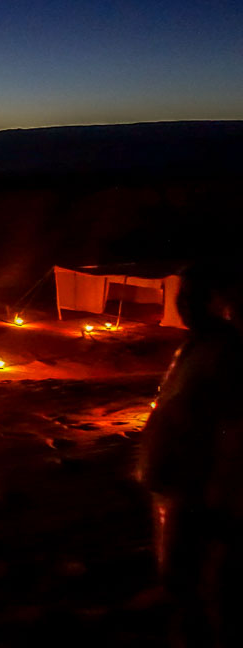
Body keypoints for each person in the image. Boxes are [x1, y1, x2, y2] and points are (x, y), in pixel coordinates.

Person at [138, 263, 243, 647]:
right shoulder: (196, 345)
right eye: (181, 295)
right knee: (178, 579)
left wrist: (222, 497)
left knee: (209, 585)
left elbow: (229, 428)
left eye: (192, 295)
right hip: (174, 483)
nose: (182, 303)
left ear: (217, 299)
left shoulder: (226, 352)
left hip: (202, 490)